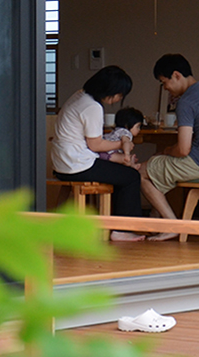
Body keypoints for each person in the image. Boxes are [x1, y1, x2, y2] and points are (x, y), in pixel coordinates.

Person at [140, 54, 199, 239]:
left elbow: (183, 150)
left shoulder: (186, 101)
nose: (165, 88)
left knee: (141, 171)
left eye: (164, 82)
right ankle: (156, 220)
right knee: (158, 165)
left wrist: (167, 151)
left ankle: (171, 225)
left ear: (176, 75)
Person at [51, 66, 149, 242]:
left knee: (120, 173)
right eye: (119, 94)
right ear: (110, 91)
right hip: (78, 165)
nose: (119, 98)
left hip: (62, 164)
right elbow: (95, 145)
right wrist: (123, 143)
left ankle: (118, 226)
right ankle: (123, 230)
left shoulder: (79, 96)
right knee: (131, 176)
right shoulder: (92, 107)